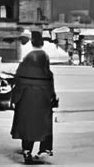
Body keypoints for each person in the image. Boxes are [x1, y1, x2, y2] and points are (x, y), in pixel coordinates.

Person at [11, 31, 58, 164]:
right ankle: (44, 149)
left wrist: (15, 99)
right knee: (42, 125)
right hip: (41, 98)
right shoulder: (44, 60)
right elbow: (49, 81)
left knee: (27, 126)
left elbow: (17, 80)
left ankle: (27, 150)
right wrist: (52, 99)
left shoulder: (26, 60)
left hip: (25, 97)